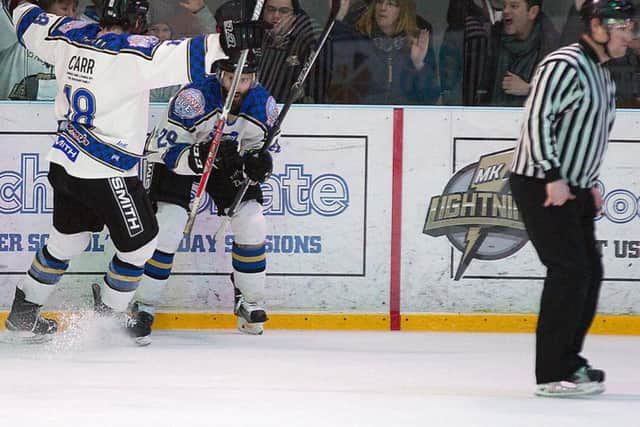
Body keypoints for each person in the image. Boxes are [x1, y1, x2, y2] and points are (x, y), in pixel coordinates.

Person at [1, 0, 267, 342]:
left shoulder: (66, 34)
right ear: (138, 21)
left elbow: (25, 17)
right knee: (141, 245)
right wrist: (234, 39)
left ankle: (23, 313)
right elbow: (197, 53)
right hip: (106, 172)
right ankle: (106, 318)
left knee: (67, 240)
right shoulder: (135, 55)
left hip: (65, 161)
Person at [509, 0, 635, 397]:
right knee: (568, 271)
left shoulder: (602, 74)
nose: (629, 36)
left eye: (631, 28)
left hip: (574, 186)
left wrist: (590, 183)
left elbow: (590, 135)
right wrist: (553, 176)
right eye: (623, 27)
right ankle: (552, 372)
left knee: (588, 273)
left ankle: (570, 361)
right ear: (597, 26)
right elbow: (537, 118)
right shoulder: (564, 64)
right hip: (542, 183)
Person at [132, 52, 276, 344]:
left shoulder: (263, 103)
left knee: (252, 220)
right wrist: (197, 158)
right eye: (231, 78)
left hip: (226, 161)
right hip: (183, 158)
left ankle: (249, 300)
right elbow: (160, 149)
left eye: (245, 80)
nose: (238, 86)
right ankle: (142, 304)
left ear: (255, 79)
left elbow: (257, 148)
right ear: (219, 74)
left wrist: (257, 163)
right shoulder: (194, 98)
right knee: (169, 226)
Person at [328, 0, 438, 105]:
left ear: (403, 10)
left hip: (404, 120)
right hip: (364, 118)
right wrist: (337, 21)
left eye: (391, 4)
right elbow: (336, 81)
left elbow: (430, 98)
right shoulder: (358, 39)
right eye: (379, 2)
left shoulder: (417, 42)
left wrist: (419, 65)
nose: (383, 8)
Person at [479, 0, 559, 106]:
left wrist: (529, 89)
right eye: (504, 6)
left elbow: (560, 94)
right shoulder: (493, 41)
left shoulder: (550, 46)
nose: (505, 11)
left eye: (514, 6)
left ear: (532, 12)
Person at [0, 0, 77, 100]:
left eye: (74, 10)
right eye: (64, 8)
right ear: (43, 9)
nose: (71, 15)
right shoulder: (17, 31)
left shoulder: (75, 47)